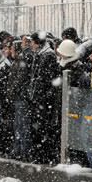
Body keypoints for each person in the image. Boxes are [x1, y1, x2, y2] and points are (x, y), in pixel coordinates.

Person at [28, 31, 60, 163]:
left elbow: (43, 79)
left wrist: (38, 95)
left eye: (32, 41)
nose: (30, 44)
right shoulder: (41, 54)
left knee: (42, 127)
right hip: (40, 97)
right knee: (38, 127)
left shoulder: (47, 55)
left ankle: (42, 155)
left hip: (44, 99)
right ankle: (39, 154)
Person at [8, 40, 32, 160]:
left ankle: (22, 150)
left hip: (21, 97)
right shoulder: (18, 61)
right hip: (19, 96)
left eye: (12, 49)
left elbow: (19, 79)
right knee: (19, 125)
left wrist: (13, 90)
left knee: (21, 125)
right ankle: (18, 149)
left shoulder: (21, 61)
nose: (10, 51)